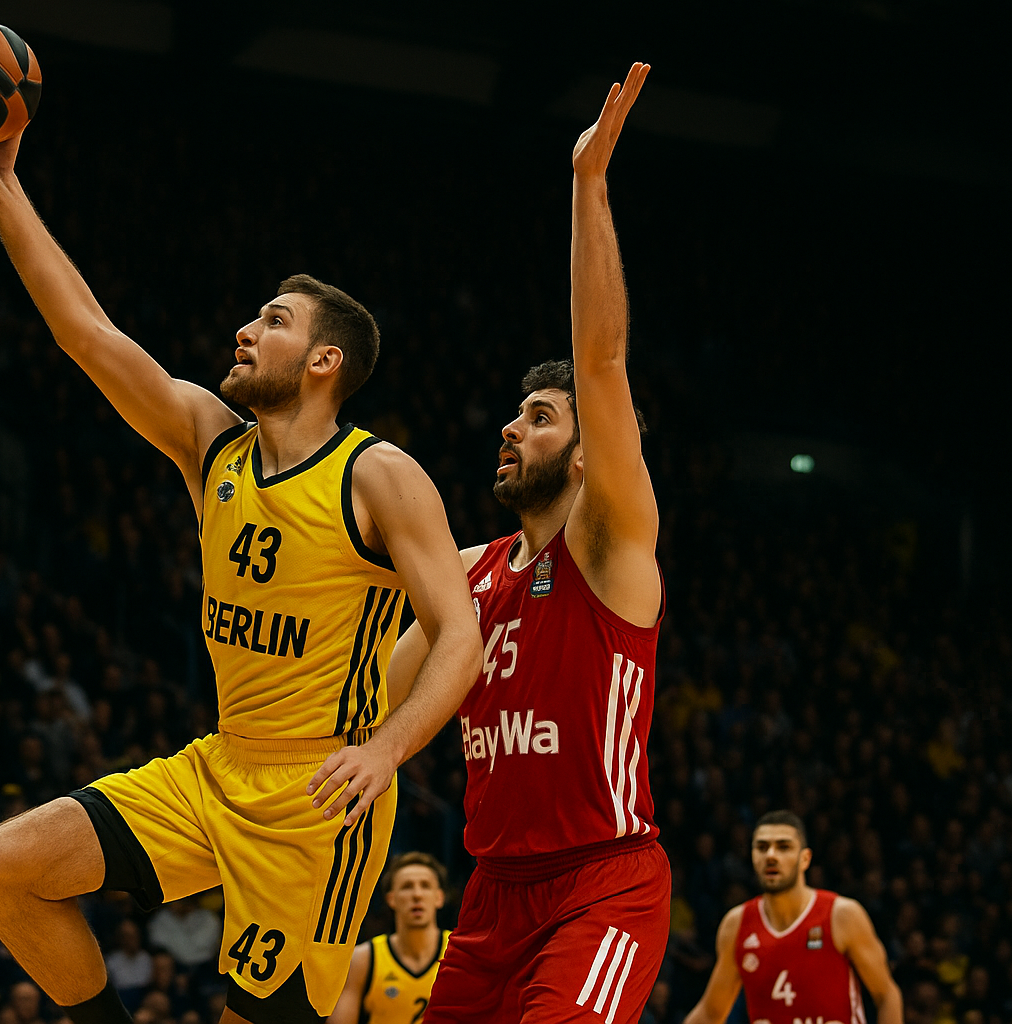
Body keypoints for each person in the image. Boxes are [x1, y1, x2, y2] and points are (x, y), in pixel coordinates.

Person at [0, 100, 483, 1024]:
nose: (244, 329)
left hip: (319, 795)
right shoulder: (211, 444)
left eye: (271, 319)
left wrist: (387, 752)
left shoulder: (379, 475)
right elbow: (88, 335)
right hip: (214, 766)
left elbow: (458, 635)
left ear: (323, 360)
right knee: (2, 871)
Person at [387, 64, 670, 1024]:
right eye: (513, 413)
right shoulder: (468, 571)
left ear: (588, 454)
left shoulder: (611, 545)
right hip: (492, 895)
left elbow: (602, 360)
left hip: (602, 884)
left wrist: (589, 182)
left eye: (540, 417)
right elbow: (392, 693)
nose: (511, 428)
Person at [682, 812, 902, 1024]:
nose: (771, 855)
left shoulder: (841, 915)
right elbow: (711, 1014)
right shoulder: (737, 924)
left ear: (805, 859)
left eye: (783, 847)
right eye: (762, 847)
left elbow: (887, 995)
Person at [328, 853, 450, 1024]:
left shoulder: (460, 953)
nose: (417, 895)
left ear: (439, 897)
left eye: (425, 886)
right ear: (391, 899)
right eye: (407, 887)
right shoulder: (363, 959)